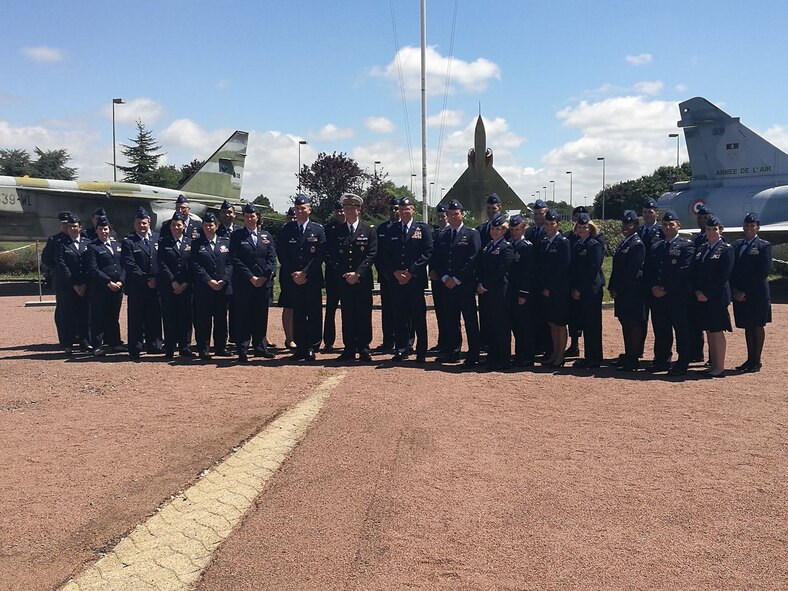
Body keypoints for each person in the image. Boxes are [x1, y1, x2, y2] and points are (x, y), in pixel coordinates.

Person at [430, 199, 481, 367]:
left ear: (462, 214)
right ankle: (453, 352)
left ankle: (473, 354)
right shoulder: (442, 235)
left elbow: (473, 259)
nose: (452, 217)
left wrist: (457, 279)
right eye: (450, 214)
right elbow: (438, 259)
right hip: (447, 285)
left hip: (464, 285)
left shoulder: (472, 234)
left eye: (455, 214)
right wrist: (445, 278)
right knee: (451, 321)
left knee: (470, 321)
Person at [645, 210, 695, 376]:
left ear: (678, 226)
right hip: (657, 296)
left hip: (676, 296)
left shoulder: (686, 246)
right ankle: (661, 360)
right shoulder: (657, 246)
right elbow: (650, 270)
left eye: (671, 224)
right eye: (665, 224)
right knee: (661, 329)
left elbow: (684, 271)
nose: (667, 227)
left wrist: (665, 289)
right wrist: (653, 287)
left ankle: (682, 362)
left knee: (681, 330)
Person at [327, 193, 377, 362]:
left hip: (362, 280)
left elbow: (371, 254)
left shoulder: (368, 230)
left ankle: (363, 348)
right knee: (347, 315)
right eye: (346, 208)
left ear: (359, 209)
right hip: (344, 280)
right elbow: (332, 256)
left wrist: (358, 273)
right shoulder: (336, 231)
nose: (349, 211)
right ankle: (349, 348)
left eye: (352, 208)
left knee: (363, 315)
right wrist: (345, 273)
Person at [277, 194, 325, 361]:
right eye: (297, 208)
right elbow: (282, 253)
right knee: (298, 313)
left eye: (303, 208)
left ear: (309, 210)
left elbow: (319, 255)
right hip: (294, 279)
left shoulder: (318, 229)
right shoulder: (286, 229)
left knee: (313, 313)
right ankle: (300, 347)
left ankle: (312, 346)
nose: (300, 211)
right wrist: (295, 273)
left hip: (311, 278)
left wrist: (305, 272)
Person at [385, 196, 433, 363]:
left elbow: (427, 253)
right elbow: (386, 255)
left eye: (407, 209)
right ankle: (401, 349)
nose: (404, 212)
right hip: (397, 281)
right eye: (401, 209)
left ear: (413, 210)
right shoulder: (392, 229)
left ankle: (421, 351)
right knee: (399, 316)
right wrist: (395, 272)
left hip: (415, 280)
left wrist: (411, 271)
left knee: (418, 316)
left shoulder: (423, 228)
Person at [230, 203, 277, 361]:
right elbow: (235, 259)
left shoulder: (266, 236)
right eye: (247, 216)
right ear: (244, 218)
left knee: (260, 316)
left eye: (253, 216)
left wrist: (264, 277)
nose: (250, 219)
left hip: (263, 284)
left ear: (258, 218)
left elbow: (271, 258)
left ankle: (260, 347)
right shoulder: (237, 236)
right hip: (244, 283)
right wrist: (251, 277)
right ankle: (242, 349)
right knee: (243, 316)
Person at [692, 215, 734, 377]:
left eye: (714, 229)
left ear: (720, 230)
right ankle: (713, 365)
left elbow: (723, 276)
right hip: (702, 296)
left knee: (716, 330)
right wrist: (697, 291)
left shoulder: (726, 249)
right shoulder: (703, 248)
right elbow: (696, 273)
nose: (711, 232)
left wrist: (707, 294)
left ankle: (719, 367)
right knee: (709, 330)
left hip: (716, 297)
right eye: (708, 229)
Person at [730, 212, 772, 373]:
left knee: (757, 326)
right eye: (747, 225)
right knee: (747, 326)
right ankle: (749, 359)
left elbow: (763, 272)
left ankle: (757, 360)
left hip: (757, 294)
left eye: (752, 226)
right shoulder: (737, 245)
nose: (749, 228)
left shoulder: (764, 246)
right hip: (740, 293)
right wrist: (735, 290)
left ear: (757, 227)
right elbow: (733, 270)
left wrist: (745, 291)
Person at [121, 207, 163, 359]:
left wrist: (156, 279)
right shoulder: (128, 241)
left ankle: (155, 345)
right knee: (136, 319)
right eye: (139, 223)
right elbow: (129, 263)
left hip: (155, 285)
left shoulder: (157, 239)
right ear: (134, 224)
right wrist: (146, 279)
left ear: (149, 223)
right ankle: (135, 347)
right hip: (137, 286)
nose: (142, 226)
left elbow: (162, 261)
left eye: (144, 223)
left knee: (154, 317)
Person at [190, 213, 233, 360]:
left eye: (212, 224)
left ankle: (221, 347)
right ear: (203, 226)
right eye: (206, 225)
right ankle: (204, 348)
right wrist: (209, 280)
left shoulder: (225, 242)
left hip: (222, 287)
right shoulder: (196, 244)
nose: (209, 227)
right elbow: (196, 265)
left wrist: (224, 280)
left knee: (221, 319)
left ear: (217, 226)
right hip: (204, 288)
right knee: (203, 319)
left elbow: (230, 264)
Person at [608, 210, 646, 371]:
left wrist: (620, 289)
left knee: (633, 324)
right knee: (625, 323)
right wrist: (612, 286)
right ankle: (628, 354)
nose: (625, 227)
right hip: (622, 291)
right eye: (624, 224)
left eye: (629, 224)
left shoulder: (637, 244)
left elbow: (632, 271)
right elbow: (616, 268)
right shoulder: (625, 242)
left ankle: (633, 358)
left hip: (632, 291)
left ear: (636, 226)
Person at [476, 213, 513, 370]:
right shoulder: (488, 246)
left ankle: (503, 359)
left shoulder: (506, 247)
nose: (495, 231)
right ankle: (492, 356)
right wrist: (479, 283)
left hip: (499, 292)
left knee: (501, 327)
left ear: (504, 230)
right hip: (486, 292)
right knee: (490, 326)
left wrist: (485, 285)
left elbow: (500, 271)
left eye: (498, 229)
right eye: (493, 228)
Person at [535, 209, 572, 367]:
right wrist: (543, 286)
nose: (549, 227)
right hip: (545, 290)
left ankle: (560, 355)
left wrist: (550, 287)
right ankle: (554, 353)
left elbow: (563, 268)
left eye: (552, 224)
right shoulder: (544, 241)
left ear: (558, 224)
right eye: (547, 224)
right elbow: (541, 267)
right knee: (551, 323)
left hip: (559, 290)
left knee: (560, 323)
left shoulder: (563, 242)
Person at [83, 216, 124, 356]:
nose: (104, 232)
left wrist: (121, 281)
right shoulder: (92, 247)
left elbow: (124, 265)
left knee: (113, 316)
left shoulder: (117, 245)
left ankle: (115, 343)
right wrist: (108, 282)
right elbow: (93, 269)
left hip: (117, 287)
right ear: (96, 231)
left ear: (110, 230)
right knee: (98, 317)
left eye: (106, 229)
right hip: (101, 287)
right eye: (101, 229)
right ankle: (97, 346)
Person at [569, 213, 605, 369]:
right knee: (585, 324)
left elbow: (592, 270)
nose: (582, 229)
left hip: (591, 291)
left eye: (585, 227)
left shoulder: (594, 244)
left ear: (590, 229)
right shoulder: (578, 244)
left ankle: (595, 358)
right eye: (580, 227)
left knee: (593, 326)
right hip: (580, 291)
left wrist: (579, 289)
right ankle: (588, 356)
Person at [157, 213, 195, 358]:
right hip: (169, 286)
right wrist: (173, 281)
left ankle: (185, 346)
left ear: (184, 226)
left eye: (179, 225)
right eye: (173, 225)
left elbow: (192, 265)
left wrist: (185, 283)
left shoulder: (190, 243)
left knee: (186, 317)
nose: (176, 228)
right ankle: (170, 347)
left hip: (186, 286)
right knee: (169, 316)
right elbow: (162, 263)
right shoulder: (163, 242)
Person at [53, 214, 90, 355]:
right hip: (68, 286)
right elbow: (62, 265)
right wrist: (74, 284)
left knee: (84, 315)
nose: (73, 229)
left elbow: (89, 265)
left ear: (80, 227)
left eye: (75, 226)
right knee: (67, 315)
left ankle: (85, 342)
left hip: (84, 286)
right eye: (70, 227)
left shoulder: (87, 243)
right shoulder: (61, 244)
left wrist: (84, 284)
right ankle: (68, 343)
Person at [507, 214, 536, 367]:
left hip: (522, 292)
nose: (514, 232)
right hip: (510, 291)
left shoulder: (527, 246)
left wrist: (523, 293)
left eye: (517, 229)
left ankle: (528, 355)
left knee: (525, 325)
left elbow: (528, 272)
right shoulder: (509, 244)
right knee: (515, 325)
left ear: (523, 229)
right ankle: (519, 353)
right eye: (512, 229)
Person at [374, 197, 401, 351]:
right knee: (387, 310)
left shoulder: (405, 228)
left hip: (403, 277)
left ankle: (405, 342)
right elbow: (377, 254)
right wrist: (384, 272)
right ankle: (388, 341)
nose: (394, 211)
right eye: (391, 209)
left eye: (396, 208)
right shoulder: (381, 229)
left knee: (403, 310)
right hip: (386, 276)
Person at [42, 211, 74, 336]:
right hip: (61, 280)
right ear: (60, 225)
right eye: (64, 224)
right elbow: (46, 259)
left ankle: (77, 335)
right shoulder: (54, 240)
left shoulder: (77, 238)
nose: (67, 226)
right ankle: (65, 337)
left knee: (77, 307)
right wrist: (57, 269)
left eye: (69, 224)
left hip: (76, 277)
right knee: (63, 308)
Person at [563, 205, 590, 358]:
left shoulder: (594, 237)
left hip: (585, 285)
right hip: (570, 282)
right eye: (577, 215)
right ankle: (574, 345)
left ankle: (589, 351)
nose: (579, 218)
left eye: (583, 215)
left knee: (586, 319)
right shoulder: (568, 236)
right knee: (572, 317)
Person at [689, 205, 712, 362]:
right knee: (695, 322)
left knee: (711, 325)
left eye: (705, 218)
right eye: (700, 218)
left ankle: (714, 356)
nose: (702, 221)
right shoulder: (696, 238)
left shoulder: (715, 238)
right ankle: (697, 353)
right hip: (695, 287)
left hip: (708, 289)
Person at [322, 200, 345, 352]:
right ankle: (328, 341)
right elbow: (324, 251)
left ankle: (351, 341)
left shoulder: (352, 227)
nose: (340, 213)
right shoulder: (327, 229)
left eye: (342, 210)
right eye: (338, 210)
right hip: (332, 274)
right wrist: (335, 266)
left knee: (349, 310)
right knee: (330, 309)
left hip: (348, 276)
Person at [429, 203, 451, 353]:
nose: (441, 219)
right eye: (439, 217)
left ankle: (449, 343)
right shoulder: (434, 234)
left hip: (448, 279)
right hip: (437, 278)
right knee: (440, 313)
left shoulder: (451, 232)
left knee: (449, 313)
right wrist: (432, 271)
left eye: (443, 216)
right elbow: (432, 255)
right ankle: (442, 342)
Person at [216, 200, 237, 346]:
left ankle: (236, 337)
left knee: (238, 309)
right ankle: (221, 341)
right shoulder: (215, 232)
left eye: (229, 212)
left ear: (234, 214)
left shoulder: (240, 231)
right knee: (221, 310)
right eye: (224, 212)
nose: (227, 215)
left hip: (239, 276)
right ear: (220, 214)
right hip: (223, 277)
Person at [278, 206, 297, 350]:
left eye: (295, 216)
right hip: (288, 274)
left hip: (304, 275)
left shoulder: (307, 229)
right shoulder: (284, 231)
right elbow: (281, 253)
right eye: (291, 217)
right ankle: (289, 338)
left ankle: (299, 336)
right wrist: (292, 271)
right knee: (289, 307)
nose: (294, 219)